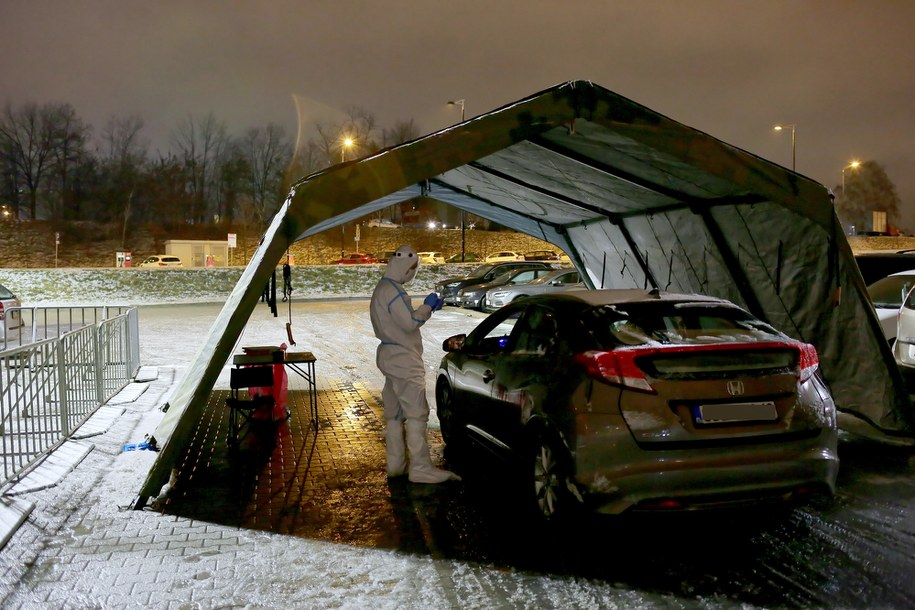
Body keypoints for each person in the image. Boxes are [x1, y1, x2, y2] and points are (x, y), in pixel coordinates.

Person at [370, 245, 460, 484]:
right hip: (403, 359)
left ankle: (396, 464)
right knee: (417, 413)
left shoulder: (383, 289)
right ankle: (420, 467)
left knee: (394, 414)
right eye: (411, 270)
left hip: (390, 356)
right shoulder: (393, 291)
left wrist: (427, 309)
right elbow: (410, 323)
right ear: (405, 268)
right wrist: (428, 306)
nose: (411, 275)